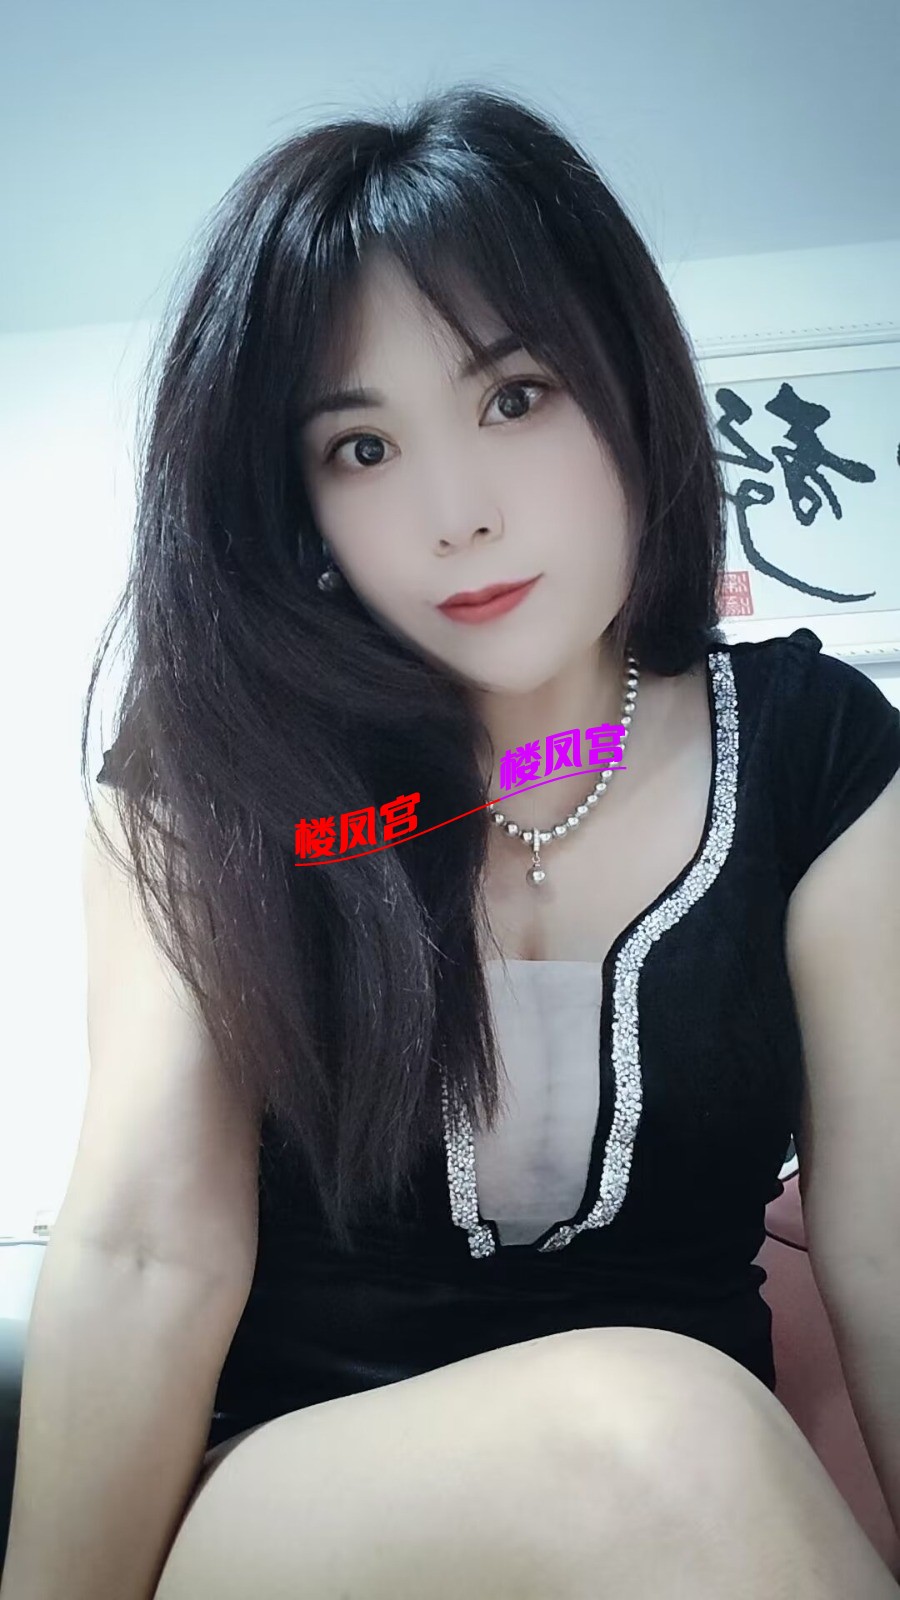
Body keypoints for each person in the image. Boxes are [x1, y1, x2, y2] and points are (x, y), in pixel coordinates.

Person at [4, 84, 900, 1600]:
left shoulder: (813, 753)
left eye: (513, 397)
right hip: (298, 1506)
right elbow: (152, 1249)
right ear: (298, 505)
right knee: (658, 1430)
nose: (456, 514)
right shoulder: (211, 774)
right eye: (360, 447)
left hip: (689, 1537)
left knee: (675, 1440)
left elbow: (882, 1239)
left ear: (628, 389)